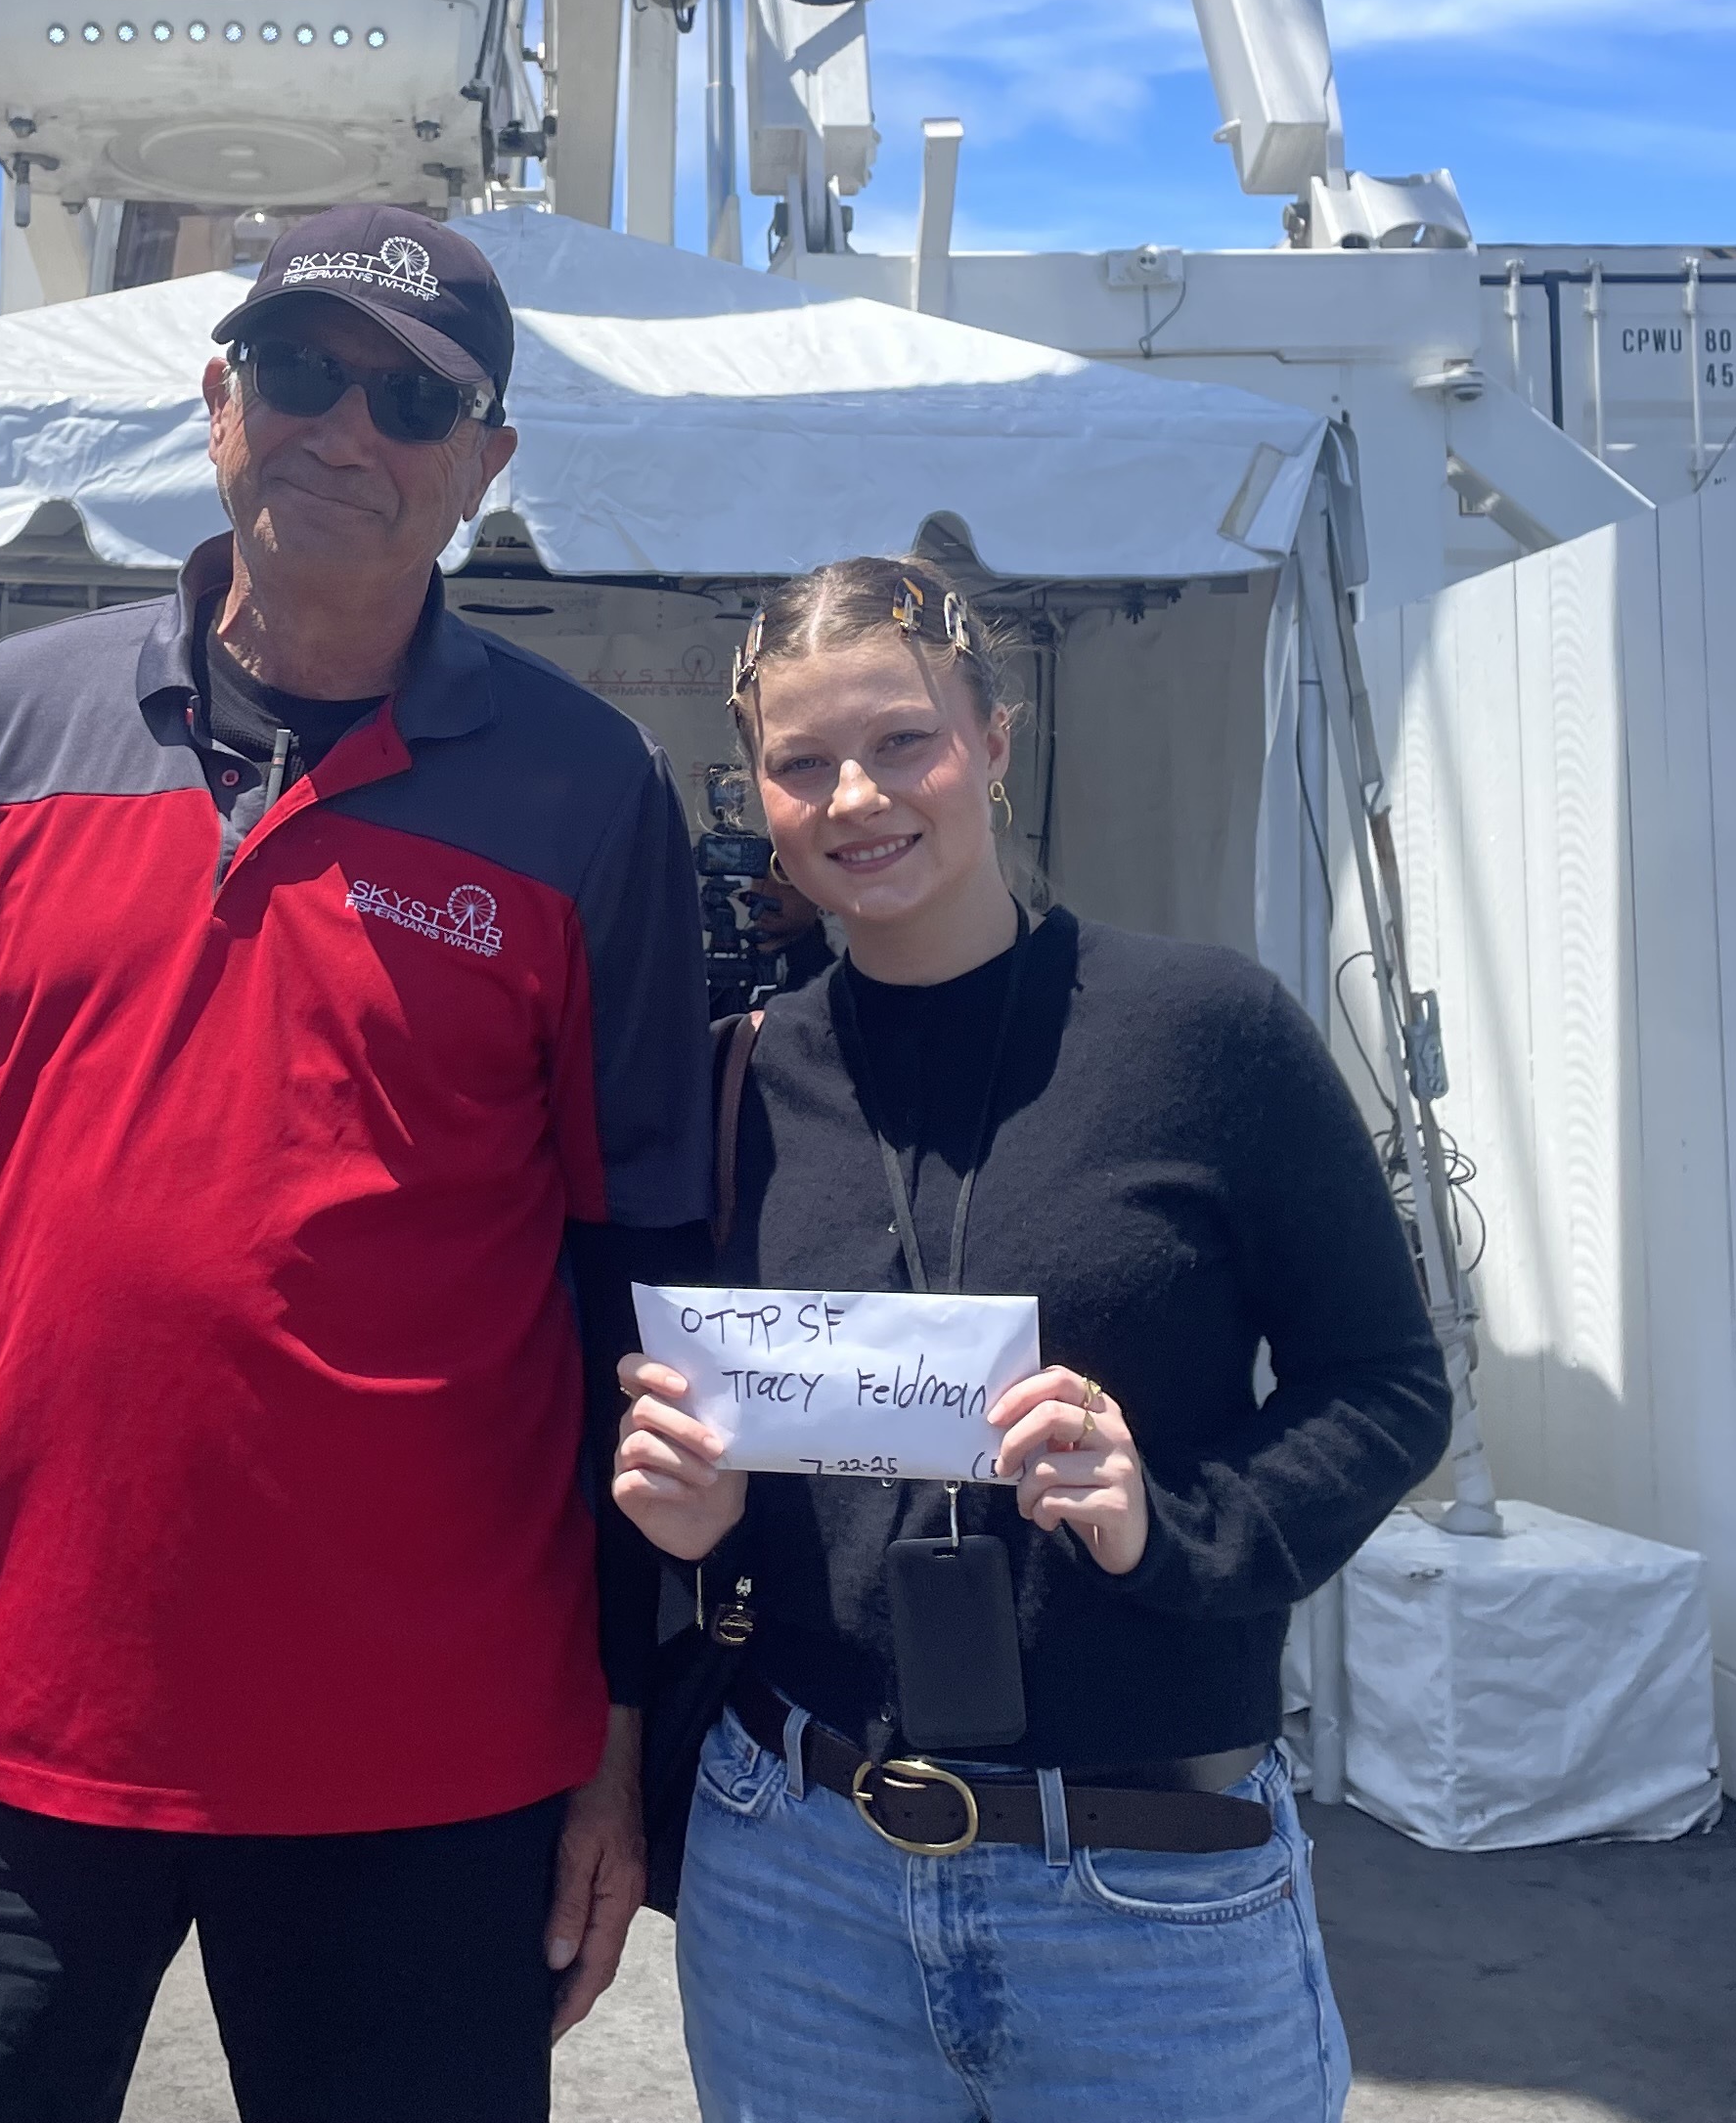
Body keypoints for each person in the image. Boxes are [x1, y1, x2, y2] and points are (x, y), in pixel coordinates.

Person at [0, 205, 712, 2123]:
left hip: (426, 1747)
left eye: (413, 401)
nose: (345, 430)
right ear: (218, 404)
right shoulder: (11, 723)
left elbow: (634, 1283)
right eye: (298, 373)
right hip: (11, 1708)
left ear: (486, 462)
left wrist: (618, 1723)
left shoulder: (586, 790)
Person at [613, 553, 1452, 2123]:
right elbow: (699, 1428)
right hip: (801, 1879)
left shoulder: (1207, 1035)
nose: (857, 796)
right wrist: (693, 1519)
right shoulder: (738, 1086)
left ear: (995, 741)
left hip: (1149, 1889)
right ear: (758, 795)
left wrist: (1177, 1522)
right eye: (802, 762)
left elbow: (1389, 1385)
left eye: (904, 741)